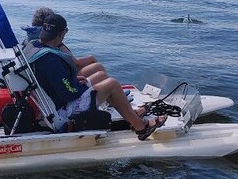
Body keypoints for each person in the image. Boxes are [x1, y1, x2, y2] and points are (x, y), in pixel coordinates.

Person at [28, 14, 165, 140]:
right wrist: (79, 85)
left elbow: (59, 84)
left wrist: (76, 82)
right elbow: (68, 94)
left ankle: (129, 113)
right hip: (62, 111)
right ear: (60, 34)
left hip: (49, 102)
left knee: (100, 75)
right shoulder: (51, 60)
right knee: (112, 84)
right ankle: (141, 127)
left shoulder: (34, 47)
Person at [24, 7, 104, 79]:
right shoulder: (52, 41)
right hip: (60, 78)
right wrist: (91, 58)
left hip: (38, 76)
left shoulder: (30, 41)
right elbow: (75, 62)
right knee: (96, 66)